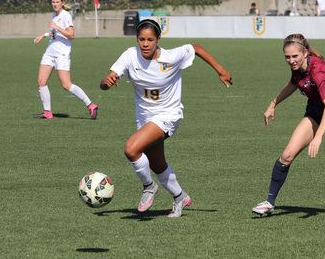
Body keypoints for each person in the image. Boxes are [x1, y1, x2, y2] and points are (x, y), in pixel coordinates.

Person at [100, 19, 233, 218]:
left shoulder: (171, 57)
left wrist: (220, 69)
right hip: (145, 119)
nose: (145, 44)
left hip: (168, 116)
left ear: (158, 40)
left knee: (131, 149)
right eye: (141, 39)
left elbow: (195, 48)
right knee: (157, 164)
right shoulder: (130, 55)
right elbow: (106, 81)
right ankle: (180, 197)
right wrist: (107, 82)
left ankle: (149, 186)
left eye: (150, 40)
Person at [252, 33, 325, 216]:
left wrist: (318, 136)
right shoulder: (298, 67)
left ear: (305, 53)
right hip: (315, 111)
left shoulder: (319, 72)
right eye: (287, 57)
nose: (291, 61)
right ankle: (269, 202)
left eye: (295, 56)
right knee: (287, 155)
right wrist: (273, 104)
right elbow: (293, 83)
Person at [34, 0, 98, 119]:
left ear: (62, 3)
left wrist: (56, 27)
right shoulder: (54, 15)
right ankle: (47, 112)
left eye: (57, 2)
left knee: (66, 85)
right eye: (53, 2)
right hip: (50, 52)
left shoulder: (66, 16)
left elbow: (71, 35)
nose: (55, 4)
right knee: (41, 81)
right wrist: (44, 35)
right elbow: (54, 33)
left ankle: (90, 105)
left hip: (62, 54)